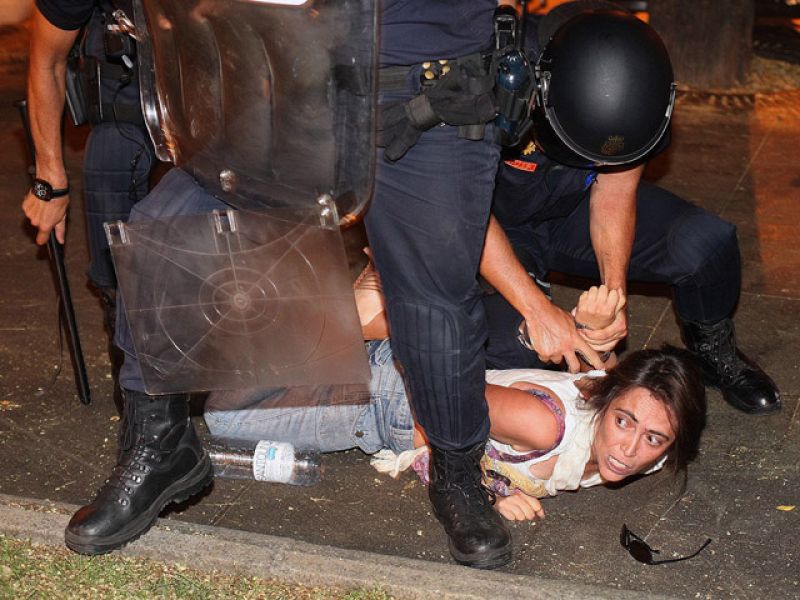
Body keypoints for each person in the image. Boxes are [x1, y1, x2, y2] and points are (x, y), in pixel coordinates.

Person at [483, 2, 781, 415]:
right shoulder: (498, 72)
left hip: (572, 206)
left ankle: (714, 354)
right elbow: (459, 212)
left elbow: (614, 194)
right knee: (519, 348)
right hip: (490, 224)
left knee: (705, 245)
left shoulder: (641, 85)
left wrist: (614, 299)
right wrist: (536, 307)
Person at [203, 285, 706, 525]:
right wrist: (488, 489)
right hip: (393, 401)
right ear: (608, 402)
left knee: (231, 397)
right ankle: (349, 321)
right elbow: (443, 406)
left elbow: (630, 395)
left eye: (654, 439)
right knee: (223, 414)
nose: (630, 447)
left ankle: (351, 328)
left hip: (400, 393)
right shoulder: (543, 425)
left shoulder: (646, 442)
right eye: (625, 422)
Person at [22, 0, 155, 346]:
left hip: (224, 110)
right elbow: (47, 61)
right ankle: (130, 342)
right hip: (128, 104)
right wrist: (49, 179)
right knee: (111, 156)